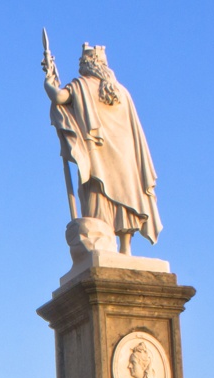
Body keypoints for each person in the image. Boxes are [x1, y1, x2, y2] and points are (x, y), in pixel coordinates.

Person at [43, 42, 162, 253]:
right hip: (126, 155)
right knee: (125, 198)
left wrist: (49, 82)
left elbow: (59, 97)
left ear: (87, 64)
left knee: (97, 193)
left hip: (98, 155)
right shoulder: (122, 92)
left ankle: (102, 247)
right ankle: (125, 249)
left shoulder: (81, 84)